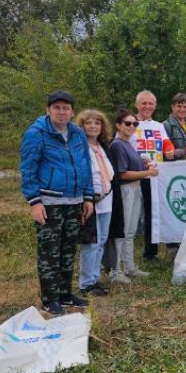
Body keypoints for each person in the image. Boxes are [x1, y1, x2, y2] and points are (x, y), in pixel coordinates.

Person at [20, 91, 94, 315]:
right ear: (48, 109)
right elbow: (28, 169)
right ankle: (49, 298)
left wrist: (88, 196)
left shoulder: (78, 134)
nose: (62, 112)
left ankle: (65, 294)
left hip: (75, 200)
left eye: (66, 108)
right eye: (57, 108)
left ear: (72, 111)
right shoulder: (37, 134)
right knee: (50, 252)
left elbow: (85, 165)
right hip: (50, 201)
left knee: (68, 249)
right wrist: (35, 202)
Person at [111, 109, 159, 281]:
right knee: (122, 231)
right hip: (125, 191)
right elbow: (122, 174)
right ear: (118, 125)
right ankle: (116, 271)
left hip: (135, 189)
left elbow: (132, 168)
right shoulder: (117, 145)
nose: (132, 126)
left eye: (135, 123)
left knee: (130, 231)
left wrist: (144, 167)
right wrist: (147, 174)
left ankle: (129, 267)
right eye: (128, 123)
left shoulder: (128, 143)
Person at [76, 109, 114, 297]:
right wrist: (86, 197)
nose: (93, 126)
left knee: (102, 240)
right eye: (88, 123)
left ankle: (94, 277)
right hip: (90, 200)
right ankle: (85, 284)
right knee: (90, 243)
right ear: (82, 126)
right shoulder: (79, 147)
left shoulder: (102, 147)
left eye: (97, 123)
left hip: (107, 199)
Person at [132, 90, 174, 262]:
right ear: (137, 105)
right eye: (144, 103)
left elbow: (167, 145)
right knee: (130, 216)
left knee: (151, 214)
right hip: (133, 175)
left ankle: (151, 253)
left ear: (155, 106)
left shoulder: (159, 126)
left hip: (153, 176)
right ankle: (121, 256)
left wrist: (170, 151)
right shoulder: (129, 122)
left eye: (150, 104)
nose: (147, 106)